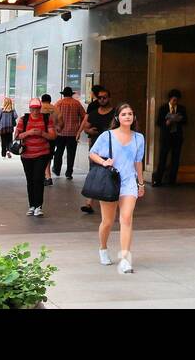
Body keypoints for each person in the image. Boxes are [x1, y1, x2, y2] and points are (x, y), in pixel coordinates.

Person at [89, 103, 145, 273]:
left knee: (126, 219)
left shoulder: (138, 138)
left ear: (134, 117)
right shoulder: (107, 136)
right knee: (107, 221)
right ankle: (103, 248)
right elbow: (92, 153)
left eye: (130, 113)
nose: (127, 116)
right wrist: (104, 162)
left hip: (129, 183)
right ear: (117, 118)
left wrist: (140, 183)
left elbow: (138, 162)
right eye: (124, 114)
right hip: (110, 182)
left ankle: (125, 259)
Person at [77, 86, 116, 214]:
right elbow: (86, 126)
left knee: (112, 174)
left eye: (105, 97)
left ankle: (113, 200)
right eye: (100, 98)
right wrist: (88, 130)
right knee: (94, 172)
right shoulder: (94, 113)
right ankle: (89, 203)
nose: (102, 100)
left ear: (109, 98)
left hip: (112, 148)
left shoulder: (115, 113)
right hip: (96, 147)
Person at [15, 98, 56, 216]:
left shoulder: (47, 119)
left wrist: (42, 133)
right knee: (30, 180)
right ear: (30, 109)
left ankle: (38, 206)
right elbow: (17, 136)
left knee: (38, 178)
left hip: (42, 153)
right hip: (27, 154)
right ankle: (31, 205)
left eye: (37, 109)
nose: (35, 111)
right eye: (33, 109)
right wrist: (29, 133)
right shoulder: (24, 120)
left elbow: (53, 136)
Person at [151, 89, 187, 187]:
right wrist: (166, 122)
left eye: (177, 100)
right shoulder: (163, 108)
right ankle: (158, 180)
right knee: (162, 158)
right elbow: (158, 122)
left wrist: (179, 119)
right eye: (174, 100)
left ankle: (172, 180)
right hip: (166, 137)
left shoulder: (181, 109)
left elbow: (186, 121)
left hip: (177, 137)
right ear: (170, 99)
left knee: (175, 159)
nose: (175, 102)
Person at [53, 87, 85, 180]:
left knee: (59, 151)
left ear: (63, 94)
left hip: (60, 133)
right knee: (71, 153)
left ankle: (57, 169)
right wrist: (79, 127)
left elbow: (53, 116)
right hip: (73, 133)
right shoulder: (77, 103)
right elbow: (84, 116)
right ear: (71, 94)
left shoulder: (59, 103)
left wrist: (56, 127)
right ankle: (69, 172)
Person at [39, 94, 57, 186]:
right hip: (52, 135)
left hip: (40, 136)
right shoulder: (55, 108)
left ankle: (43, 176)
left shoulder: (38, 108)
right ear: (50, 100)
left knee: (41, 155)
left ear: (42, 100)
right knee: (49, 156)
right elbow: (61, 121)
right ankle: (48, 176)